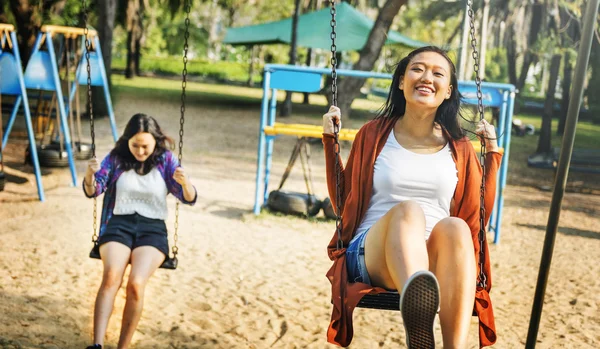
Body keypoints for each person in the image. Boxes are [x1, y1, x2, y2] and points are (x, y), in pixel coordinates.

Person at [322, 46, 501, 348]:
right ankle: (416, 303)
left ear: (448, 91)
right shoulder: (373, 134)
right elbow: (344, 201)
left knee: (456, 227)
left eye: (438, 73)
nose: (426, 77)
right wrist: (330, 142)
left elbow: (477, 216)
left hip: (433, 259)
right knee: (408, 212)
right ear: (402, 81)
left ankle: (443, 335)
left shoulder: (459, 148)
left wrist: (492, 154)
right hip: (372, 253)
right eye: (417, 69)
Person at [83, 113, 197, 349]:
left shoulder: (166, 160)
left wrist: (186, 183)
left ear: (156, 140)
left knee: (136, 283)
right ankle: (96, 345)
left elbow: (188, 198)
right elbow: (95, 190)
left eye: (145, 146)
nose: (140, 151)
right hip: (118, 224)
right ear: (127, 141)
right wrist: (88, 177)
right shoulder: (116, 158)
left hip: (152, 230)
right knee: (112, 276)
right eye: (135, 145)